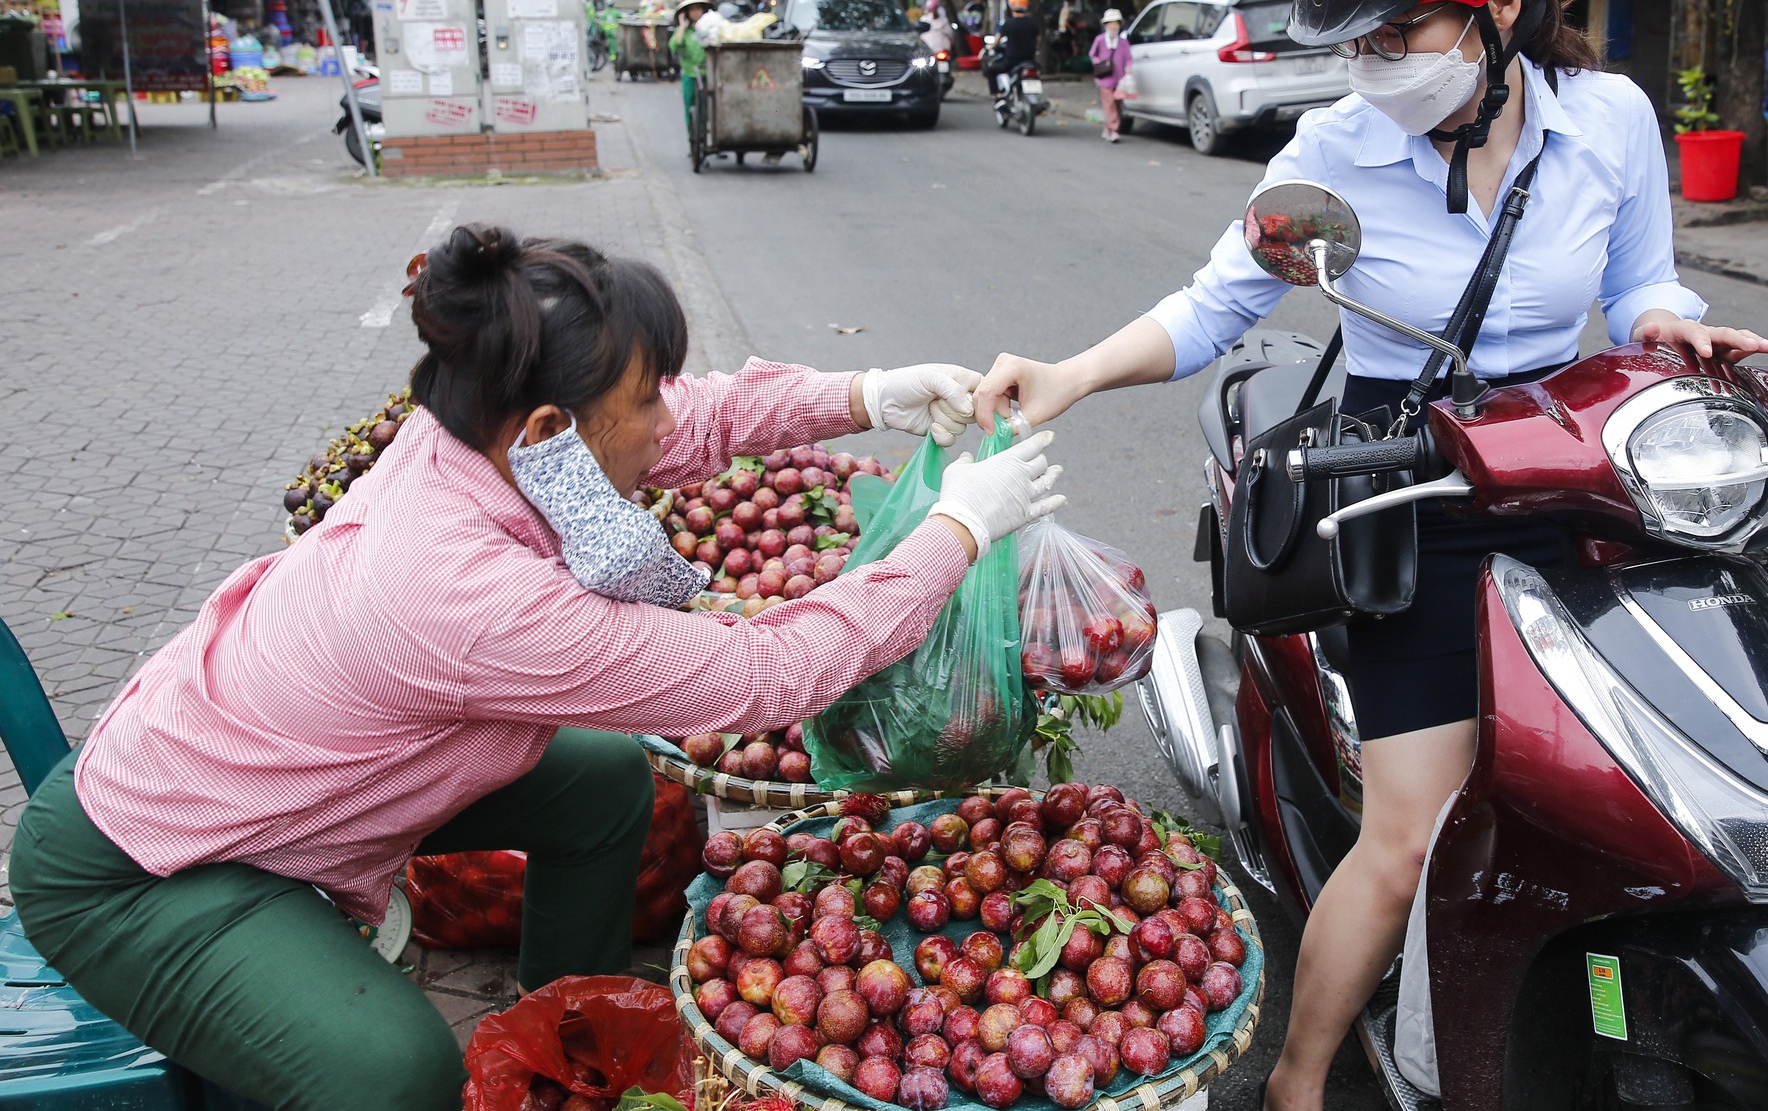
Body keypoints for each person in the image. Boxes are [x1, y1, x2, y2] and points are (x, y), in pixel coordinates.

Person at [970, 0, 1768, 1108]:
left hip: (1566, 462)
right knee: (1412, 832)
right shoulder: (1329, 153)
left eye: (1396, 32)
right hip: (1400, 485)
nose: (1370, 64)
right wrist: (1067, 375)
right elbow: (1209, 309)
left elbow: (1640, 283)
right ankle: (1302, 1078)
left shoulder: (1610, 118)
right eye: (1352, 38)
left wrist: (1677, 329)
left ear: (1502, 8)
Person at [8, 225, 1065, 1111]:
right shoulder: (465, 593)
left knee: (605, 781)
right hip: (151, 869)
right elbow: (773, 671)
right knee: (395, 1072)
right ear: (554, 426)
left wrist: (865, 391)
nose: (662, 418)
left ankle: (564, 1034)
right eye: (642, 399)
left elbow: (696, 418)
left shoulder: (481, 435)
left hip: (284, 785)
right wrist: (955, 532)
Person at [667, 0, 712, 129]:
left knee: (709, 108)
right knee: (689, 107)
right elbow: (674, 46)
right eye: (692, 9)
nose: (696, 12)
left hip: (708, 75)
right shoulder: (684, 31)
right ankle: (693, 139)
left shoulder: (710, 28)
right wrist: (682, 27)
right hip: (690, 75)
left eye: (698, 8)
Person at [1089, 8, 1133, 142]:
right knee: (1109, 104)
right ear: (1106, 25)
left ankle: (1108, 128)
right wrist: (1098, 62)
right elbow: (1093, 54)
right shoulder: (1100, 40)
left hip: (1119, 80)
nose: (1114, 26)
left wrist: (1129, 69)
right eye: (1111, 23)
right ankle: (1114, 130)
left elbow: (1128, 58)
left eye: (1116, 23)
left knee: (1117, 104)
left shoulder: (1123, 42)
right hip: (1105, 78)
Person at [985, 0, 1039, 97]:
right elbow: (1038, 40)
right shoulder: (1033, 23)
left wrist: (990, 46)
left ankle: (998, 95)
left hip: (1012, 62)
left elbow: (997, 41)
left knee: (990, 70)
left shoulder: (1008, 23)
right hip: (1030, 61)